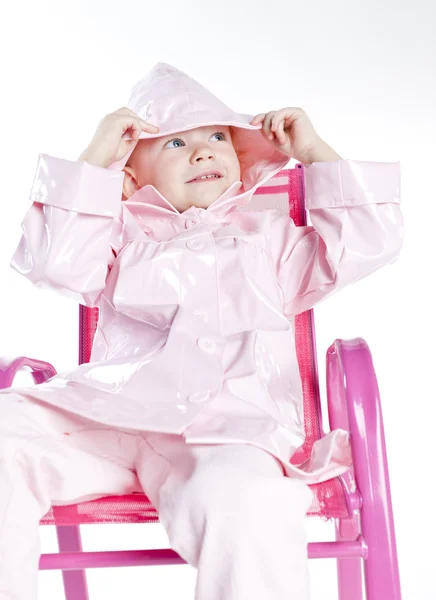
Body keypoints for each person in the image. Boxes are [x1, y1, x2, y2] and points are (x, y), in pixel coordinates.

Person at [0, 62, 404, 600]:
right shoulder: (117, 233)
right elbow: (53, 262)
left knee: (252, 507)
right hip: (107, 416)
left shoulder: (273, 241)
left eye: (218, 137)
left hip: (227, 430)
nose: (203, 150)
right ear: (130, 176)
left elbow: (372, 241)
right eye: (174, 144)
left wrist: (314, 151)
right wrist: (95, 159)